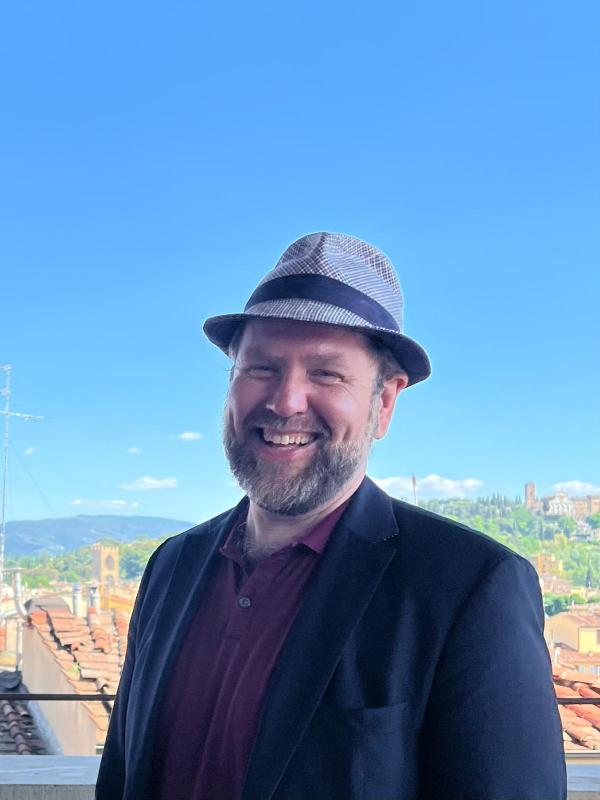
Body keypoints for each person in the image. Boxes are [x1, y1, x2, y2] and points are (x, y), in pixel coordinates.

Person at [96, 232, 566, 800]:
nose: (286, 401)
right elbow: (123, 776)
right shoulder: (171, 566)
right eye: (261, 368)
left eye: (327, 374)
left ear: (384, 401)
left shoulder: (469, 587)